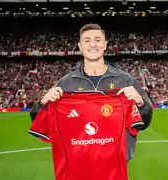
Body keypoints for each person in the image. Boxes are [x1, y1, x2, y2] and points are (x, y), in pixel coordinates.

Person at [30, 23, 153, 162]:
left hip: (115, 168)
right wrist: (42, 104)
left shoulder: (125, 80)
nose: (93, 45)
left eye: (98, 40)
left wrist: (141, 105)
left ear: (105, 45)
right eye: (87, 41)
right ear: (80, 46)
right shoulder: (66, 84)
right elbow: (41, 122)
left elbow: (145, 121)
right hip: (77, 167)